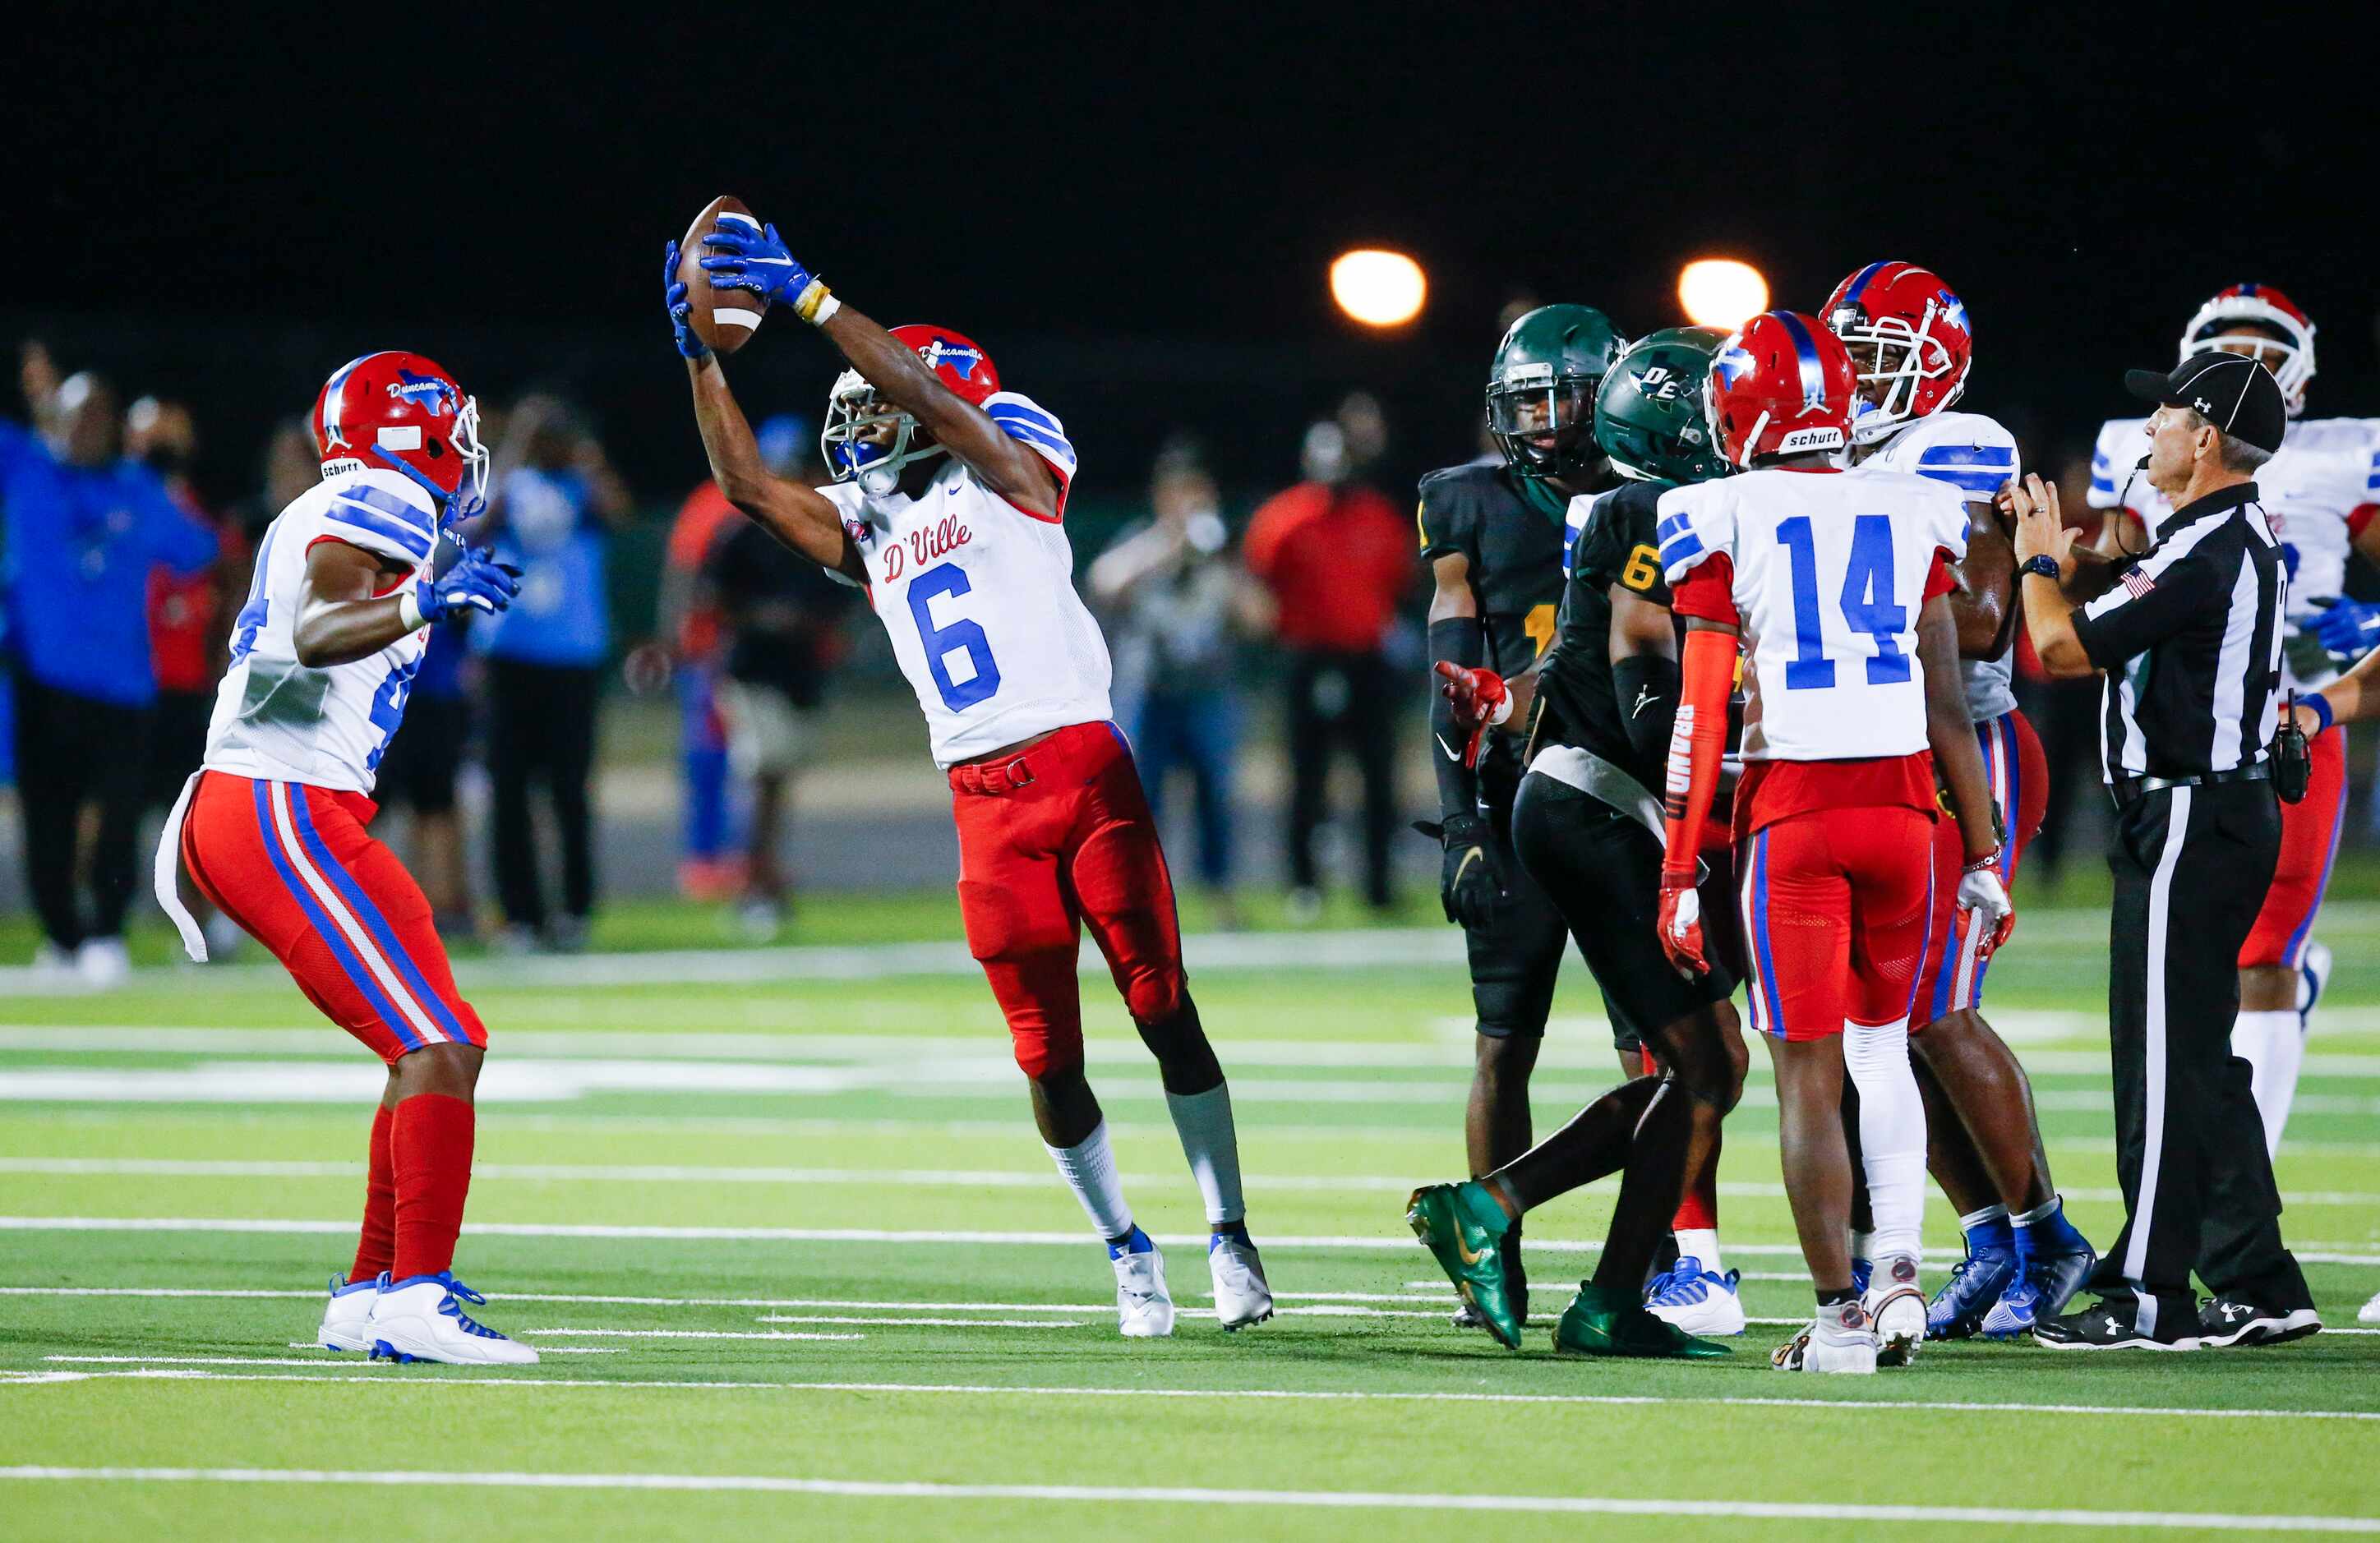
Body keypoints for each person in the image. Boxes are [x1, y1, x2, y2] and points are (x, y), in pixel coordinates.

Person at [671, 216, 1271, 1336]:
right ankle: (1125, 1246)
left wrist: (812, 302)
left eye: (877, 395)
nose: (859, 418)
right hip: (982, 798)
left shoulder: (1012, 466)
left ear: (936, 397)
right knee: (1046, 1051)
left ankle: (1228, 1230)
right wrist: (702, 360)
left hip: (1087, 769)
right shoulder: (870, 518)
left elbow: (947, 410)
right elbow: (750, 488)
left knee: (1160, 1002)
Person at [152, 350, 533, 1365]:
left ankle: (370, 1294)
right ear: (411, 434)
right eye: (451, 431)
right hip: (282, 805)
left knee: (438, 1043)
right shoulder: (388, 494)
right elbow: (321, 629)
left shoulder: (357, 498)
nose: (465, 453)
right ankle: (414, 1292)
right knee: (437, 1040)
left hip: (292, 802)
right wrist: (424, 604)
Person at [1656, 312, 2011, 1373]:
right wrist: (1985, 855)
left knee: (1807, 1076)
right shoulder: (1915, 509)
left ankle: (1840, 1318)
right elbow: (1951, 707)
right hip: (1908, 813)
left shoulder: (1717, 510)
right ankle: (1899, 1270)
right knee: (1881, 1044)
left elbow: (1705, 709)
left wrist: (1681, 866)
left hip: (1796, 813)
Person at [1407, 327, 1750, 1359]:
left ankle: (1601, 1289)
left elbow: (1559, 673)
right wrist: (1730, 746)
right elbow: (1646, 684)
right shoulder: (1654, 508)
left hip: (1581, 798)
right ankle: (1505, 1220)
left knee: (1706, 1063)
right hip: (1596, 805)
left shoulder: (1619, 506)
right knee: (1703, 1062)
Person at [2016, 352, 2318, 1351]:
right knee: (2192, 1058)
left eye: (2167, 412)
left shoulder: (2208, 548)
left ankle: (2146, 1294)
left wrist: (2036, 563)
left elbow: (2056, 652)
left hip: (2192, 814)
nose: (2148, 426)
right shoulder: (2215, 538)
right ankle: (2258, 1278)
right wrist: (2093, 564)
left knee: (2155, 1061)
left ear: (2205, 438)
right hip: (2212, 815)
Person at [1824, 262, 2096, 1342]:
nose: (1857, 373)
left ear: (1934, 361)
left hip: (1966, 746)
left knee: (1936, 1008)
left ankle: (2046, 1231)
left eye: (1879, 352)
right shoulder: (1851, 452)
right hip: (1885, 751)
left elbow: (1982, 619)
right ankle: (1987, 1229)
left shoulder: (1954, 443)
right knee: (1880, 1024)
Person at [2087, 285, 2376, 1157]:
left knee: (2262, 956)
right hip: (2175, 732)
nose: (2246, 365)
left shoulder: (2343, 455)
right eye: (2226, 350)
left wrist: (2369, 623)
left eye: (2264, 351)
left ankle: (2233, 1182)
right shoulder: (2139, 449)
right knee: (2183, 964)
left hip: (2293, 717)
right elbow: (2104, 581)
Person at [1410, 303, 1626, 1333]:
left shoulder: (1655, 496)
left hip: (1627, 802)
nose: (1540, 423)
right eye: (1524, 402)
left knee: (1661, 1054)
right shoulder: (1466, 504)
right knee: (1505, 1042)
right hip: (1513, 799)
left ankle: (1665, 1256)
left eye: (1561, 398)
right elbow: (1446, 674)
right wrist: (1458, 822)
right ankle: (1488, 1260)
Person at [2, 359, 219, 984]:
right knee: (46, 818)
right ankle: (61, 937)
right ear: (56, 420)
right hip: (41, 682)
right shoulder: (26, 466)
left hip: (123, 688)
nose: (87, 426)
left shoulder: (139, 490)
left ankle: (105, 933)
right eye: (77, 414)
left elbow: (201, 551)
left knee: (118, 820)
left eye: (99, 415)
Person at [1243, 403, 1416, 914]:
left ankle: (1380, 887)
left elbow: (1400, 584)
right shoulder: (1283, 518)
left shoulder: (1379, 516)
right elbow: (1257, 586)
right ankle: (1304, 885)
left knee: (1379, 776)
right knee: (1306, 777)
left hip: (1367, 661)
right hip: (1307, 660)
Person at [474, 394, 631, 952]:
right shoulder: (506, 486)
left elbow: (619, 511)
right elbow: (470, 533)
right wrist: (514, 453)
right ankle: (520, 916)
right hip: (508, 658)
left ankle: (574, 910)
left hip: (572, 661)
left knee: (569, 791)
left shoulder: (583, 488)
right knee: (509, 792)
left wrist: (586, 458)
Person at [1087, 441, 1246, 923]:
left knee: (1216, 801)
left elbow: (1262, 616)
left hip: (1207, 692)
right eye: (1179, 492)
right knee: (1140, 800)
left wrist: (1219, 561)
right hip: (1150, 693)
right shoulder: (1142, 541)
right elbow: (1103, 582)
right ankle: (1137, 901)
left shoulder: (1220, 550)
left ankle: (1221, 900)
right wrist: (1167, 546)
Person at [705, 472, 857, 937]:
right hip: (753, 672)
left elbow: (843, 598)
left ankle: (764, 881)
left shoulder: (818, 528)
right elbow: (709, 595)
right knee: (763, 780)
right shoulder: (742, 534)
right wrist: (767, 620)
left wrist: (809, 624)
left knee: (776, 785)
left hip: (800, 678)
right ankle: (755, 888)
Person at [128, 394, 251, 960]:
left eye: (172, 435)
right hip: (125, 681)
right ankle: (93, 922)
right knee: (108, 803)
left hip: (191, 683)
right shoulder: (115, 505)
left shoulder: (203, 518)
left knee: (197, 815)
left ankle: (202, 925)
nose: (163, 448)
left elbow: (231, 582)